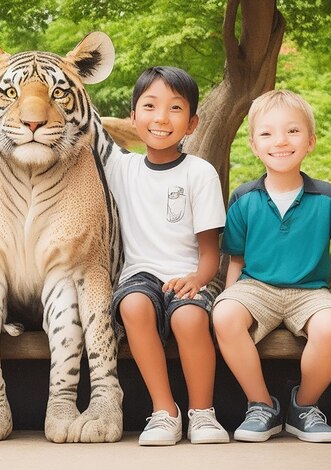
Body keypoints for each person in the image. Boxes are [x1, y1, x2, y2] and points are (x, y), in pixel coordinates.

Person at [105, 66, 229, 445]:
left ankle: (203, 414)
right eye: (149, 106)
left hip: (191, 274)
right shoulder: (120, 169)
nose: (161, 118)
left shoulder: (199, 173)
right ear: (133, 117)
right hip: (140, 275)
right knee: (134, 306)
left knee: (190, 318)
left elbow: (211, 253)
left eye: (175, 109)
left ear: (192, 123)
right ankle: (164, 412)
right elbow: (86, 132)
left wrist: (196, 280)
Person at [212, 89, 331, 443]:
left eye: (293, 131)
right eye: (267, 133)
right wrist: (227, 301)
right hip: (257, 288)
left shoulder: (328, 198)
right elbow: (235, 259)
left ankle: (304, 407)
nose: (280, 141)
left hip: (310, 291)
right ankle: (262, 404)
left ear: (310, 141)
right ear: (254, 144)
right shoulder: (243, 198)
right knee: (224, 314)